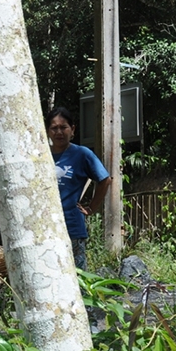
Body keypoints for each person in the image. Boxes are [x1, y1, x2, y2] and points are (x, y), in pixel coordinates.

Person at [46, 106, 112, 271]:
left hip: (72, 227)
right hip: (45, 229)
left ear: (72, 129)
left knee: (78, 276)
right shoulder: (41, 155)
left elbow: (105, 180)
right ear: (47, 131)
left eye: (63, 127)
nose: (59, 132)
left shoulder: (82, 154)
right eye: (54, 128)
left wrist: (91, 208)